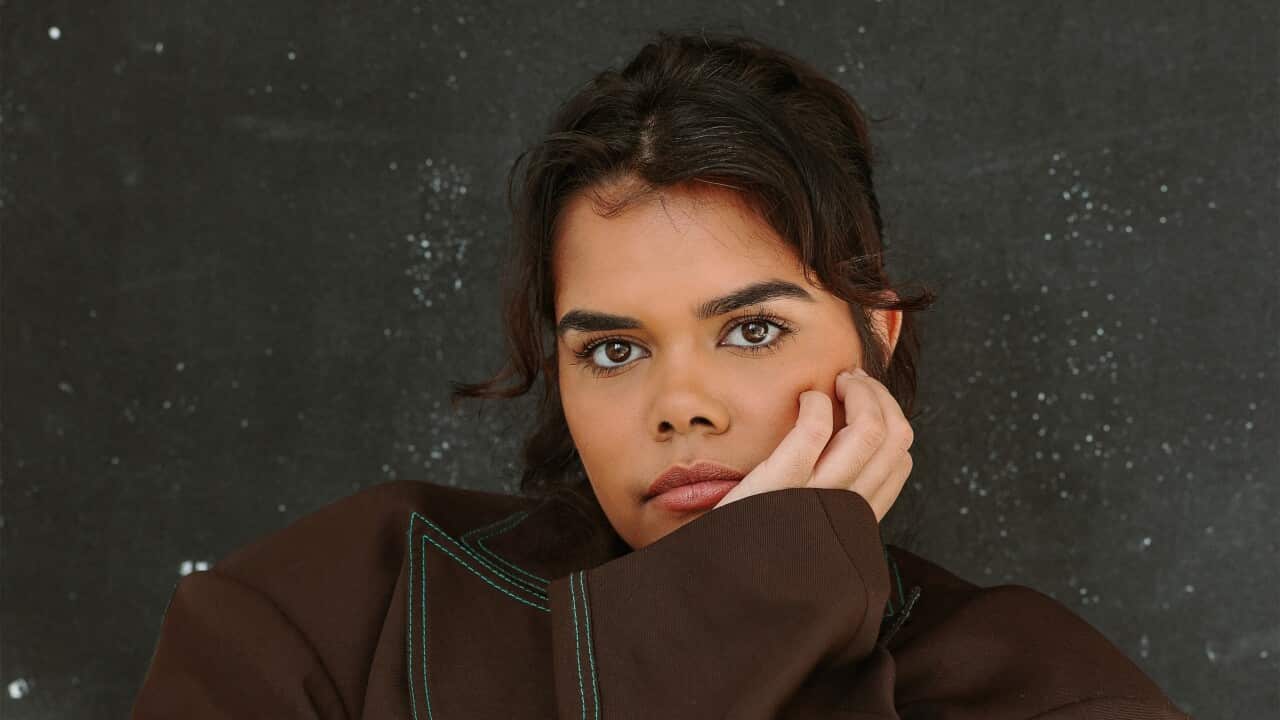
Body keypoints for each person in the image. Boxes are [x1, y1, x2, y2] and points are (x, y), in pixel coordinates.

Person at [132, 29, 1191, 719]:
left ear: (873, 337)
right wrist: (732, 611)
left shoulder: (1038, 690)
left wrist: (750, 601)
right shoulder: (335, 610)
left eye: (748, 331)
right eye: (614, 351)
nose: (678, 405)